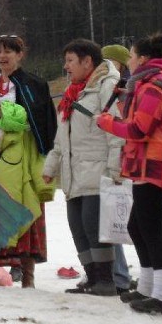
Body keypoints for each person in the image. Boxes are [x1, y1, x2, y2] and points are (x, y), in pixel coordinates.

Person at [96, 33, 162, 315]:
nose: (130, 61)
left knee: (149, 227)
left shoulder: (152, 88)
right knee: (138, 225)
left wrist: (107, 122)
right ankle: (149, 286)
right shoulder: (149, 86)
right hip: (148, 162)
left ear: (144, 59)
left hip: (155, 163)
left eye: (133, 56)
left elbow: (138, 129)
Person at [0, 34, 57, 287]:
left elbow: (45, 123)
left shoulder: (34, 85)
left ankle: (28, 277)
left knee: (24, 205)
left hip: (23, 156)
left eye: (9, 51)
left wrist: (17, 123)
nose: (3, 56)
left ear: (20, 54)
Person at [42, 39, 123, 296]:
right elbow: (61, 137)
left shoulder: (106, 85)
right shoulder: (72, 93)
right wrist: (51, 166)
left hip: (98, 170)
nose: (66, 67)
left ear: (88, 61)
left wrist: (114, 169)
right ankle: (91, 277)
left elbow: (116, 129)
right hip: (74, 172)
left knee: (93, 224)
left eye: (70, 61)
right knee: (76, 224)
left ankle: (106, 280)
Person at [101, 44, 134, 292]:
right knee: (110, 220)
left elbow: (122, 127)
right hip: (115, 159)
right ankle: (115, 274)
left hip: (125, 162)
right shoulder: (111, 88)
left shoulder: (124, 92)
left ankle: (121, 275)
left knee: (119, 220)